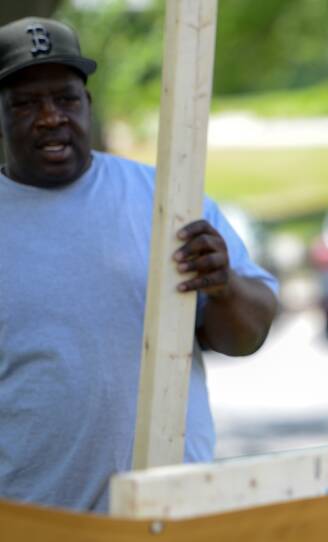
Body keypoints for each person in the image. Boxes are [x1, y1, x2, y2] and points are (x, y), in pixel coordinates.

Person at [0, 17, 278, 512]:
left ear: (88, 105)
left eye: (66, 99)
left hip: (173, 514)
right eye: (25, 104)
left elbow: (246, 337)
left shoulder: (168, 200)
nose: (50, 118)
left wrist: (225, 287)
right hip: (33, 521)